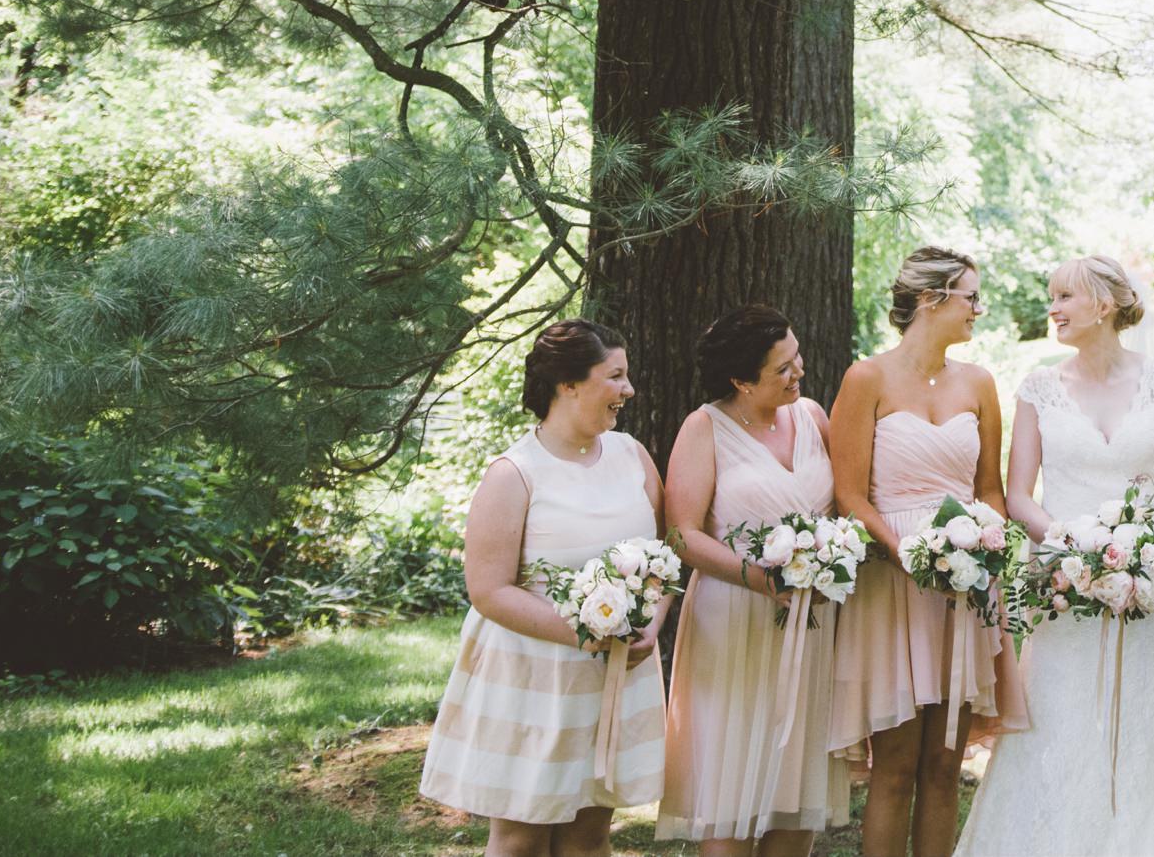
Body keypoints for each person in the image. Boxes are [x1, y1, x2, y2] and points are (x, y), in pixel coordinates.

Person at [952, 254, 1154, 856]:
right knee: (1060, 711)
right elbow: (1017, 496)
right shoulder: (1039, 388)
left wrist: (1145, 553)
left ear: (1103, 305)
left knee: (1147, 717)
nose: (1052, 308)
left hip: (1146, 586)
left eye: (1064, 297)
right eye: (1053, 296)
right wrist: (1076, 545)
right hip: (1062, 579)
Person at [419, 320, 667, 857]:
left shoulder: (631, 455)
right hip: (532, 678)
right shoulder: (514, 474)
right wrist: (585, 633)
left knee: (589, 835)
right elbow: (488, 590)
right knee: (521, 839)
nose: (628, 389)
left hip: (612, 676)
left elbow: (662, 557)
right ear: (568, 384)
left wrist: (651, 624)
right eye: (615, 376)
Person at [829, 246, 1027, 857]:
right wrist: (910, 555)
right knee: (894, 769)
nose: (978, 308)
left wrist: (984, 544)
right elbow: (849, 495)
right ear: (929, 299)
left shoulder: (980, 384)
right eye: (971, 296)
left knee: (944, 767)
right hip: (892, 585)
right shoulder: (867, 379)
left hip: (964, 589)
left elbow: (989, 490)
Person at [657, 306, 849, 855]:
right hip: (734, 621)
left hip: (810, 623)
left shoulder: (812, 416)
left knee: (796, 777)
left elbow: (842, 509)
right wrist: (761, 580)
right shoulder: (704, 428)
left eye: (797, 357)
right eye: (782, 368)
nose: (799, 372)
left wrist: (834, 555)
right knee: (731, 773)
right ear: (741, 381)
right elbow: (682, 534)